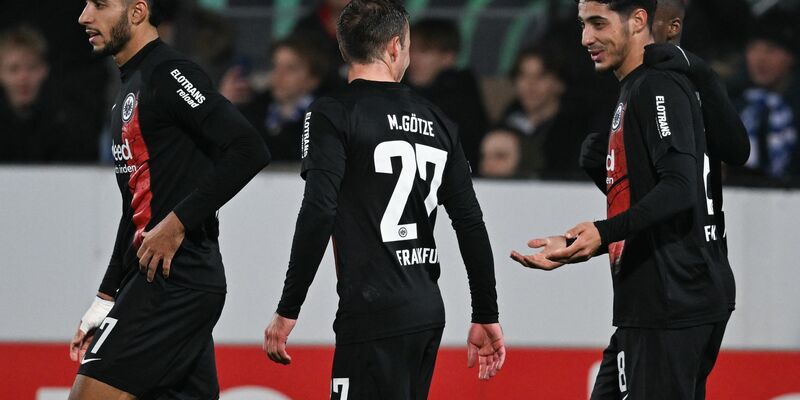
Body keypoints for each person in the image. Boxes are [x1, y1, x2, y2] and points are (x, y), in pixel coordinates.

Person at [263, 1, 505, 398]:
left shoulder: (333, 112)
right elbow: (470, 223)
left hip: (371, 309)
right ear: (395, 48)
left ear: (345, 50)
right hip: (426, 309)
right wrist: (486, 312)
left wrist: (289, 306)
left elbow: (318, 209)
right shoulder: (439, 121)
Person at [512, 1, 732, 398]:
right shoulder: (635, 87)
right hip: (653, 302)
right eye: (582, 24)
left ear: (638, 20)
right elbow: (657, 201)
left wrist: (603, 231)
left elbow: (682, 189)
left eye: (598, 23)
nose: (586, 38)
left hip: (672, 301)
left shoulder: (656, 85)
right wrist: (588, 236)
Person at [69, 0, 270, 398]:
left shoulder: (171, 73)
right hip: (159, 281)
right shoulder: (128, 89)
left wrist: (177, 224)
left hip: (175, 281)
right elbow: (136, 208)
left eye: (100, 5)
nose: (84, 16)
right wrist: (106, 296)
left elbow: (249, 148)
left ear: (138, 11)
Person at [0, 25, 100, 163]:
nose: (23, 77)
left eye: (31, 67)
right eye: (13, 69)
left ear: (44, 70)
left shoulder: (67, 126)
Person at [221, 35, 329, 161]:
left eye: (290, 68)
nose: (279, 75)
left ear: (313, 79)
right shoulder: (252, 112)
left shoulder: (325, 122)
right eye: (275, 66)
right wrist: (222, 107)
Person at [405, 18, 489, 172]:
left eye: (423, 51)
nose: (412, 58)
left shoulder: (463, 98)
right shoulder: (395, 90)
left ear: (448, 58)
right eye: (410, 50)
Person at [730, 9, 800, 186]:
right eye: (753, 48)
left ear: (791, 57)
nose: (760, 59)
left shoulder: (794, 109)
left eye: (771, 50)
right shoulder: (734, 104)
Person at [500, 45, 590, 179]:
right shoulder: (504, 126)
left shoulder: (577, 133)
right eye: (523, 75)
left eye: (540, 76)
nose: (530, 84)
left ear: (559, 83)